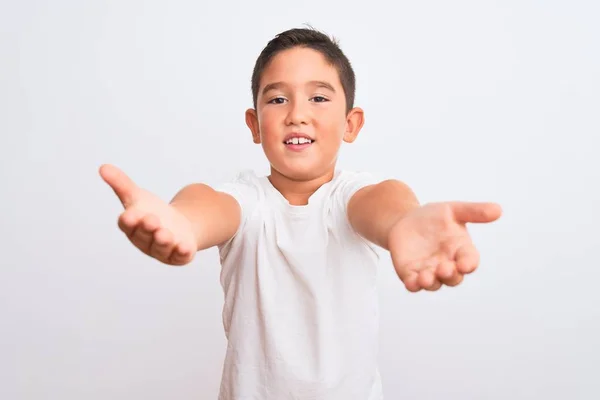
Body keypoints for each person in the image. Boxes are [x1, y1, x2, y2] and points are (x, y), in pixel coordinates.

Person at [99, 27, 502, 400]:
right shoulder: (247, 200)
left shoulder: (349, 197)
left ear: (351, 123)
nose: (297, 113)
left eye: (319, 97)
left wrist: (404, 221)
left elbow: (382, 200)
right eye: (277, 99)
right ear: (255, 125)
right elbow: (208, 205)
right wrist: (182, 221)